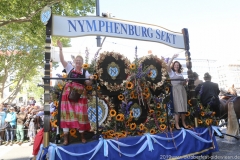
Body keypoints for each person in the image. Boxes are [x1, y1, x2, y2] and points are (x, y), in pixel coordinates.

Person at [57, 40, 93, 145]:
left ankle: (82, 136)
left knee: (80, 114)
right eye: (76, 61)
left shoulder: (85, 72)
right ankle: (66, 139)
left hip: (80, 95)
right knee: (67, 114)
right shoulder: (69, 68)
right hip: (68, 95)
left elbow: (89, 83)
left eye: (80, 61)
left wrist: (90, 79)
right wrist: (60, 49)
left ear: (82, 63)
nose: (78, 62)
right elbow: (62, 60)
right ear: (74, 62)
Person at [167, 54, 188, 130]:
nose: (176, 66)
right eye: (175, 65)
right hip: (175, 91)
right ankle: (177, 124)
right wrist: (172, 57)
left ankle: (183, 123)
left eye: (178, 65)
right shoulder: (172, 73)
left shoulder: (181, 74)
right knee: (177, 107)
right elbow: (167, 66)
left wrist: (185, 81)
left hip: (182, 90)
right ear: (173, 66)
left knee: (183, 107)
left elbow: (183, 83)